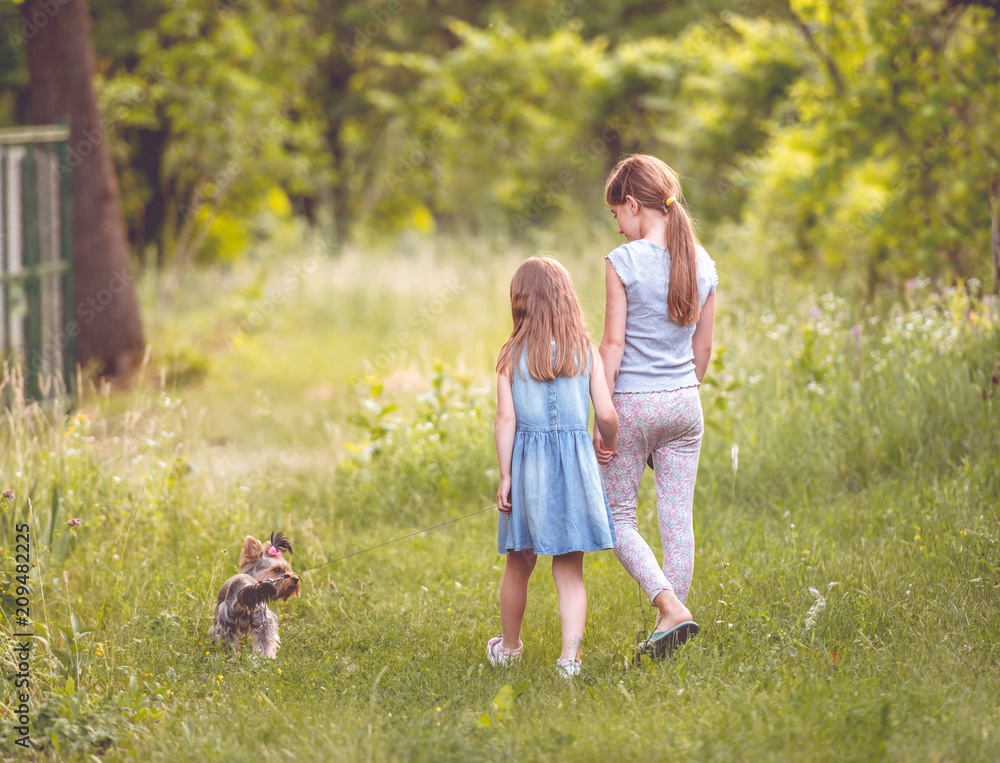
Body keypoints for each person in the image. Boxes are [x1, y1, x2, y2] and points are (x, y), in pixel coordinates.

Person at [594, 154, 718, 659]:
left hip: (632, 404)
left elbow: (612, 346)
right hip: (686, 404)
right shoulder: (704, 263)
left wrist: (603, 417)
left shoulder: (622, 262)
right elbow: (703, 351)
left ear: (632, 204)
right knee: (677, 519)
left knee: (615, 517)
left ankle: (670, 609)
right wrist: (677, 396)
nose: (618, 227)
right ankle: (672, 628)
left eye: (616, 215)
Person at [489, 256, 620, 678]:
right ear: (567, 299)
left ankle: (509, 648)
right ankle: (569, 661)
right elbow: (607, 414)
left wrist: (506, 475)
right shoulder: (586, 352)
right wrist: (607, 441)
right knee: (569, 569)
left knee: (518, 562)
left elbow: (505, 419)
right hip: (576, 471)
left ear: (519, 303)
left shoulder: (510, 356)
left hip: (528, 471)